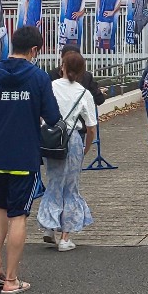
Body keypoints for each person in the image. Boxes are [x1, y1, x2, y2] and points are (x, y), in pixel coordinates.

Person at [0, 24, 61, 294]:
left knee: (1, 208)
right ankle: (12, 279)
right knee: (19, 215)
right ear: (34, 50)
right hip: (24, 156)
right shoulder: (39, 77)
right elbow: (53, 117)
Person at [37, 48, 98, 251]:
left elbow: (39, 114)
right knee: (70, 188)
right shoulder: (84, 93)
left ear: (62, 66)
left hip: (51, 139)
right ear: (81, 71)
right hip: (72, 141)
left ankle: (49, 226)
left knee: (54, 182)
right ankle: (65, 237)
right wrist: (86, 148)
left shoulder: (50, 86)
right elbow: (91, 127)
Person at [52, 43, 105, 108]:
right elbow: (99, 100)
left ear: (62, 57)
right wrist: (99, 92)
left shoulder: (52, 76)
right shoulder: (87, 77)